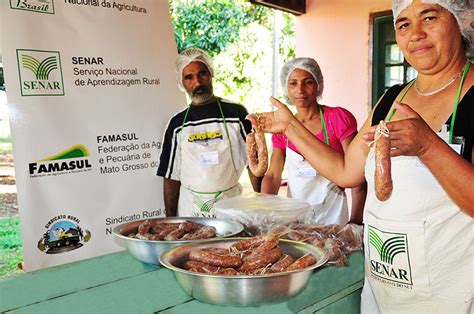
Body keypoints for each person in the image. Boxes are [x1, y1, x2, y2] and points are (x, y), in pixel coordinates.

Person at [247, 0, 473, 312]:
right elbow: (345, 171)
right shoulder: (391, 99)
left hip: (450, 294)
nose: (415, 33)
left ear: (461, 21)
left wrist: (428, 146)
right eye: (404, 24)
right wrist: (291, 127)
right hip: (384, 289)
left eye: (429, 17)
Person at [261, 57, 367, 225]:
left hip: (333, 213)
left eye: (308, 82)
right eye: (293, 84)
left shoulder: (337, 118)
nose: (300, 90)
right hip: (295, 217)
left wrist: (355, 219)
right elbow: (273, 175)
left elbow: (358, 173)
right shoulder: (282, 127)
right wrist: (263, 212)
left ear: (318, 85)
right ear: (286, 88)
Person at [157, 48, 261, 217]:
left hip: (231, 206)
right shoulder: (177, 125)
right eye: (189, 77)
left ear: (211, 74)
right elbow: (171, 176)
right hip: (190, 211)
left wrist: (261, 203)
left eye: (202, 74)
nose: (197, 83)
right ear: (181, 82)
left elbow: (254, 164)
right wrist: (170, 220)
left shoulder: (236, 114)